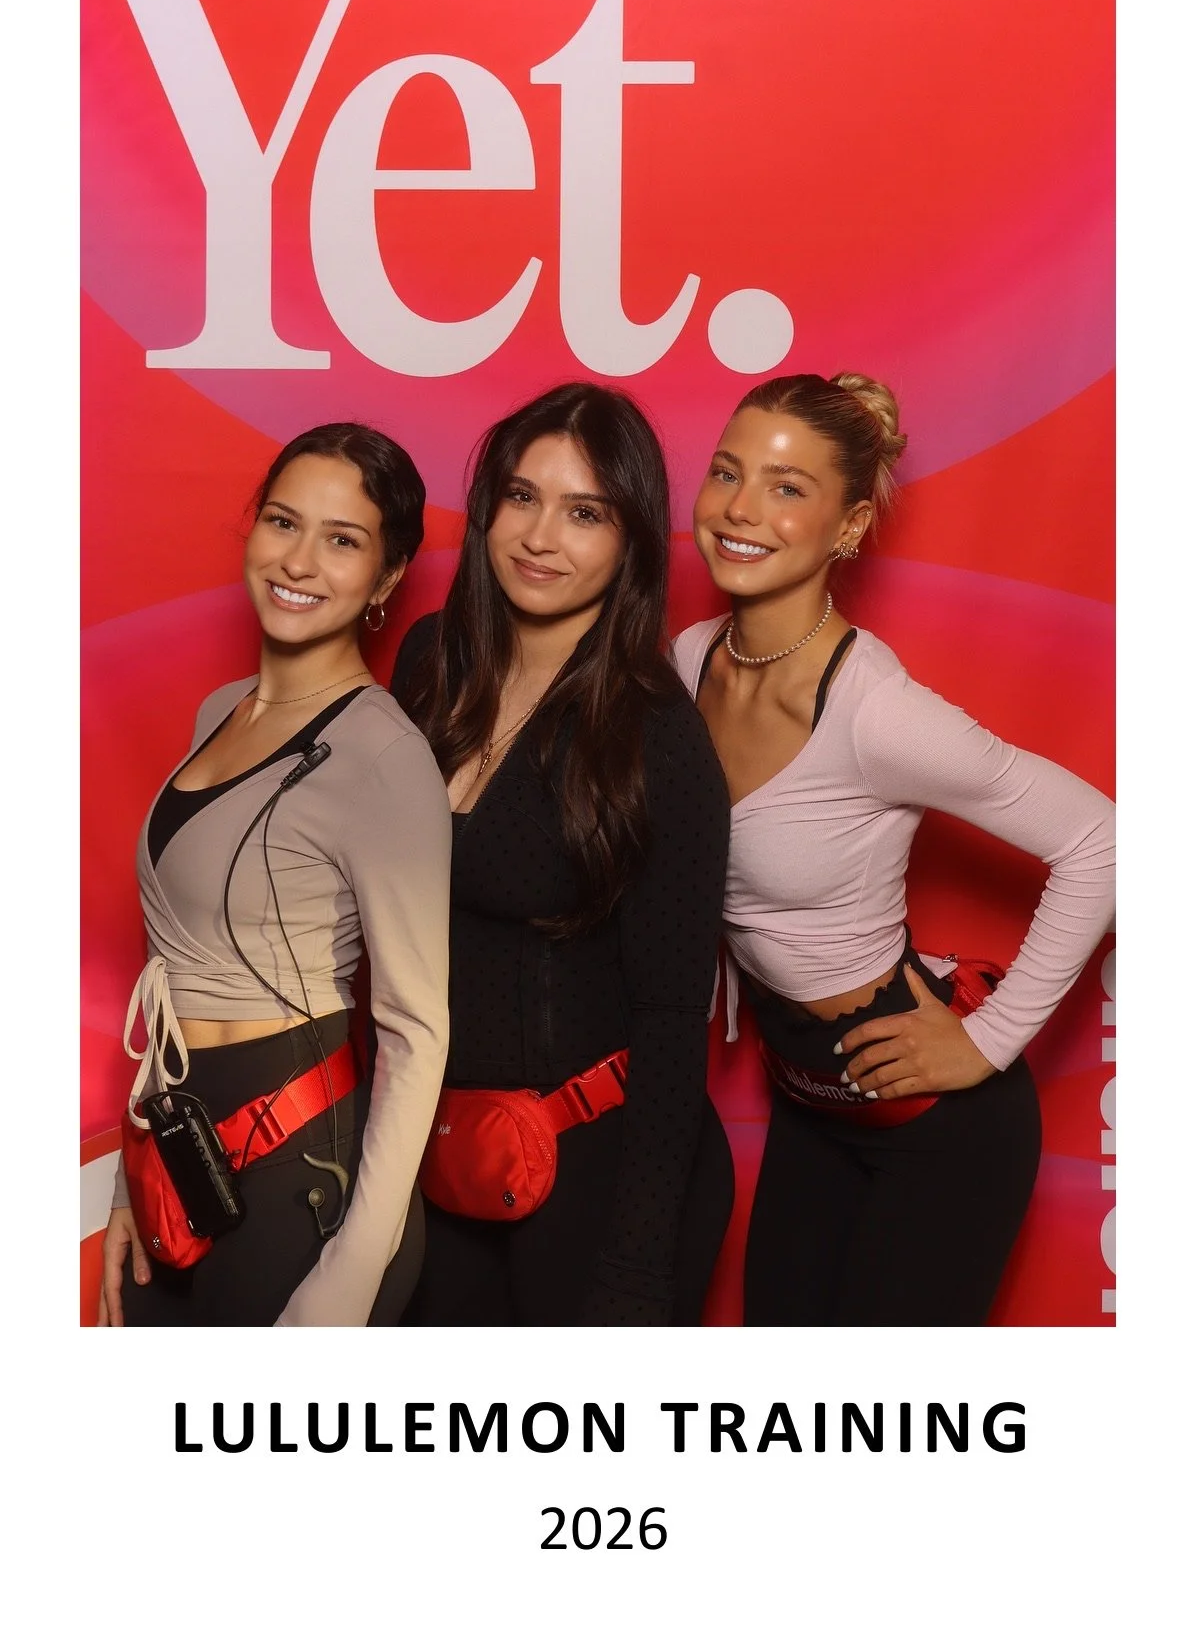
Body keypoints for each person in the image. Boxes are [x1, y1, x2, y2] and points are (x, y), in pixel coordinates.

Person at [673, 373, 1116, 1326]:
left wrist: (989, 1043)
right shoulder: (687, 661)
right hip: (808, 1106)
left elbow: (1101, 839)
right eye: (726, 473)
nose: (741, 509)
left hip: (935, 1133)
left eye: (788, 488)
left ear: (850, 524)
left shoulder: (877, 713)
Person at [391, 383, 734, 1326]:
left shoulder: (656, 737)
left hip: (599, 1171)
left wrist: (634, 1269)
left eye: (585, 512)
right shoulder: (430, 661)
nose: (541, 536)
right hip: (442, 1147)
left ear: (630, 540)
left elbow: (673, 1020)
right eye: (521, 496)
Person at [98, 424, 451, 1327]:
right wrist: (134, 1176)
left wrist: (355, 1272)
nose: (300, 560)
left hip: (303, 1167)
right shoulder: (221, 711)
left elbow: (416, 1030)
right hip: (185, 1150)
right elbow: (173, 960)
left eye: (342, 540)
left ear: (385, 576)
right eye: (283, 523)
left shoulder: (384, 755)